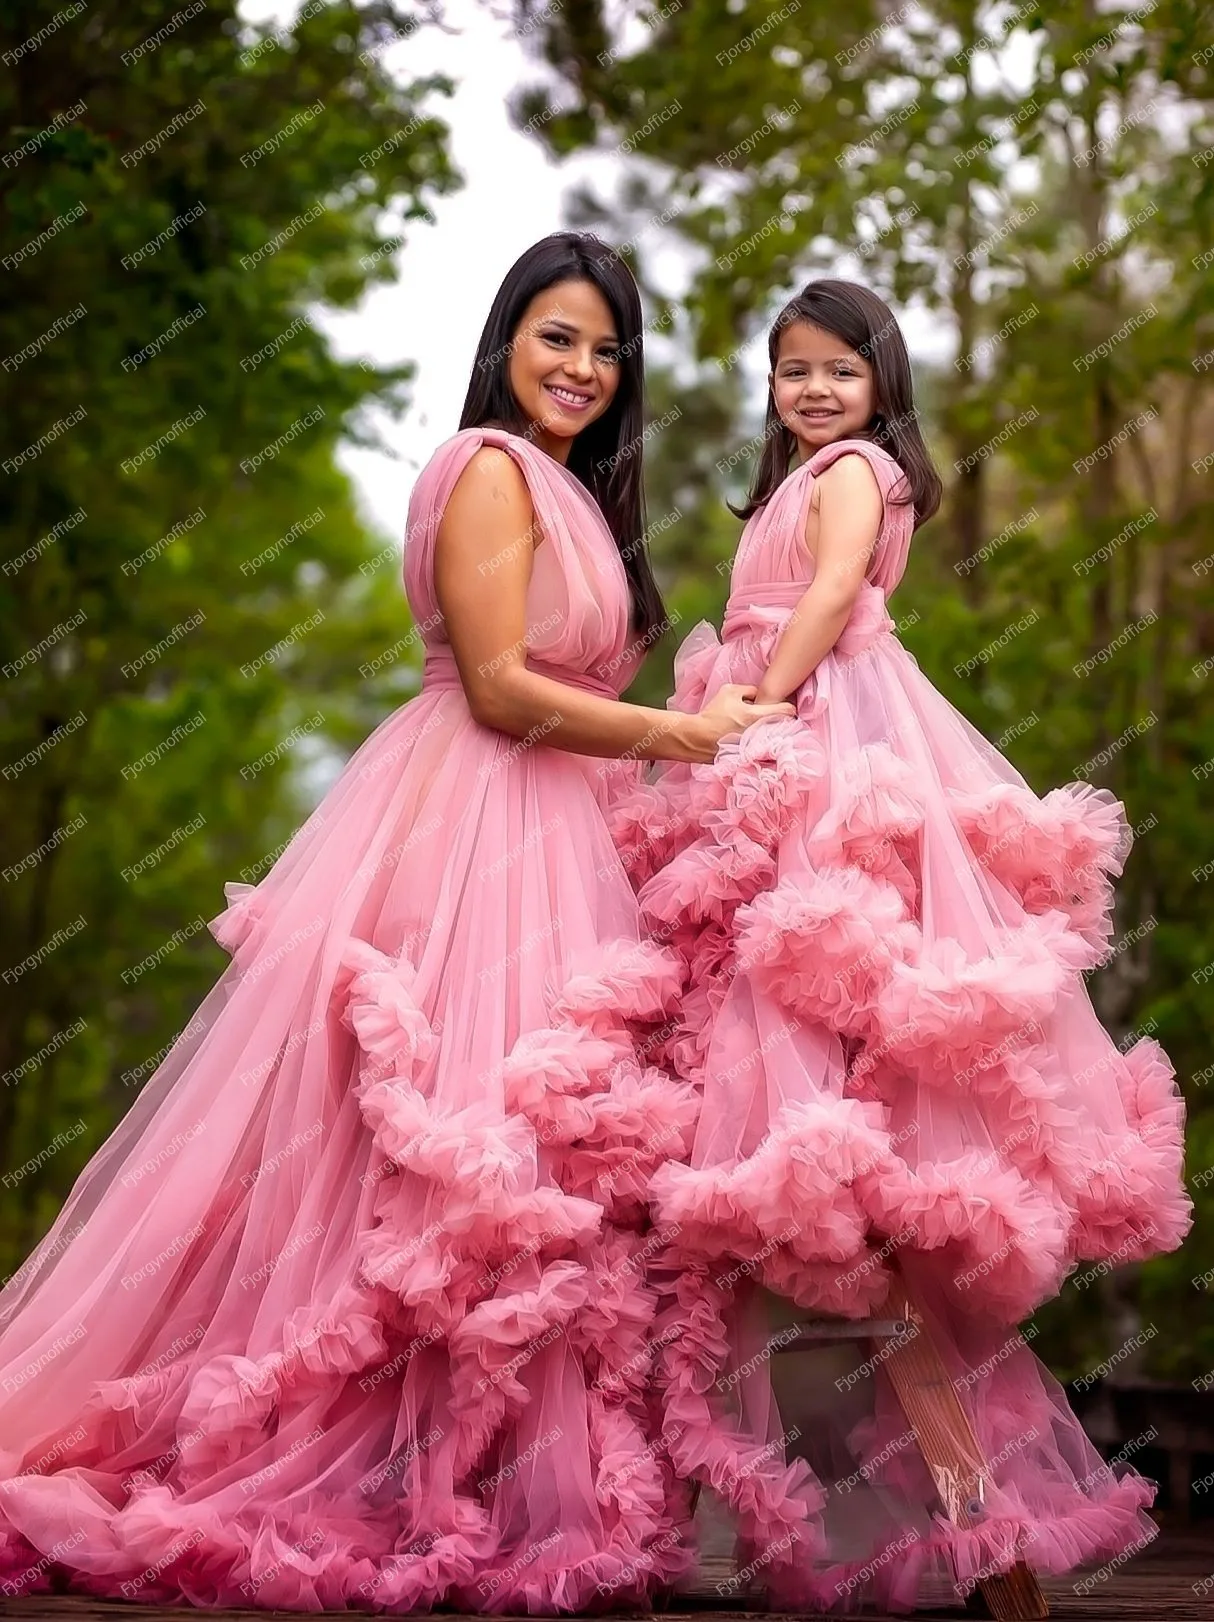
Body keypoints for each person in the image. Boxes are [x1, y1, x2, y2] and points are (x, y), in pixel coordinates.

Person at [0, 232, 791, 1612]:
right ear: (503, 342)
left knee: (548, 1153)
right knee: (456, 1143)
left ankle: (500, 1473)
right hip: (477, 822)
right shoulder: (483, 467)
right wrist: (688, 729)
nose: (583, 369)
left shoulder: (573, 491)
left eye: (606, 351)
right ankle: (395, 1469)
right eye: (557, 337)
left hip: (565, 832)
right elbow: (497, 684)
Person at [607, 278, 1193, 1610]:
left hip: (821, 752)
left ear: (880, 384)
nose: (811, 390)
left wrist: (755, 700)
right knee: (738, 1139)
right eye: (790, 370)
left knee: (840, 1121)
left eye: (837, 369)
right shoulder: (790, 478)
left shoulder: (859, 474)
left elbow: (822, 598)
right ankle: (699, 1502)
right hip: (767, 747)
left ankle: (982, 1515)